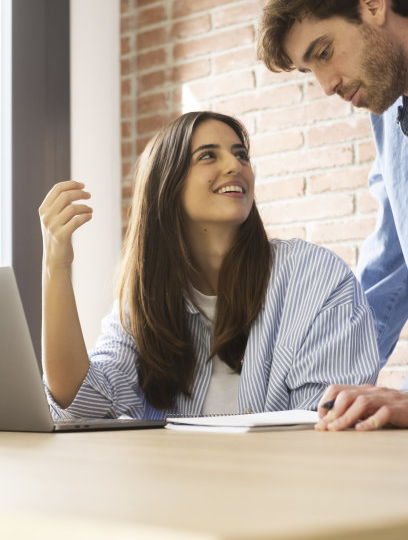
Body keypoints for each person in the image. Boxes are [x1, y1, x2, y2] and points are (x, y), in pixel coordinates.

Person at [39, 111, 378, 421]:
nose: (236, 165)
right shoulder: (143, 300)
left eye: (241, 153)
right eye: (208, 155)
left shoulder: (316, 278)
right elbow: (82, 405)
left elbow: (327, 422)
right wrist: (56, 266)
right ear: (167, 184)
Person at [257, 0, 408, 429]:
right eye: (310, 70)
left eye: (324, 53)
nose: (325, 85)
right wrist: (319, 386)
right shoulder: (389, 116)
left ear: (372, 4)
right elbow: (391, 261)